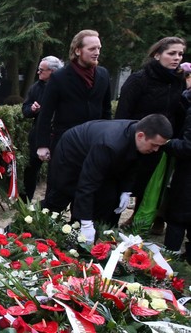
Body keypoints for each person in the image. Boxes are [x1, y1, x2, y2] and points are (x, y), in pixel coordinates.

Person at [42, 114, 172, 244]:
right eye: (154, 145)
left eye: (159, 146)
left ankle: (86, 237)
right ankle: (41, 229)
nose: (156, 150)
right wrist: (86, 223)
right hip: (72, 157)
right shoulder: (110, 144)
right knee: (60, 198)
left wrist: (126, 191)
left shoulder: (139, 138)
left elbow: (133, 164)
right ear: (140, 136)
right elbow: (87, 184)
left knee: (107, 199)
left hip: (99, 157)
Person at [115, 37, 186, 233]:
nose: (177, 58)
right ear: (157, 54)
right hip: (137, 138)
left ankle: (143, 218)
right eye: (171, 53)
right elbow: (122, 113)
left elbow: (176, 110)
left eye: (180, 54)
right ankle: (112, 217)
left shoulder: (177, 80)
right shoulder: (139, 79)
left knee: (150, 183)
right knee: (129, 179)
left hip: (162, 141)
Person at [36, 29, 112, 162]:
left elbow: (106, 110)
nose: (97, 53)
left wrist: (108, 138)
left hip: (94, 144)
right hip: (66, 144)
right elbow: (45, 113)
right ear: (77, 51)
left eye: (99, 48)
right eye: (92, 49)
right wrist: (42, 145)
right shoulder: (59, 78)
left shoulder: (103, 75)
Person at [21, 56, 64, 202]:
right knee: (31, 170)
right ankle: (25, 201)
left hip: (58, 134)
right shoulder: (36, 87)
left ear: (52, 71)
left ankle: (51, 204)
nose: (38, 72)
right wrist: (32, 109)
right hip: (38, 133)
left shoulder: (64, 85)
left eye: (41, 70)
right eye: (38, 69)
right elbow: (25, 109)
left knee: (56, 171)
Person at [164, 76, 191, 260]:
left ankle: (169, 260)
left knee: (177, 217)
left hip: (188, 174)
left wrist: (165, 142)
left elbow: (187, 146)